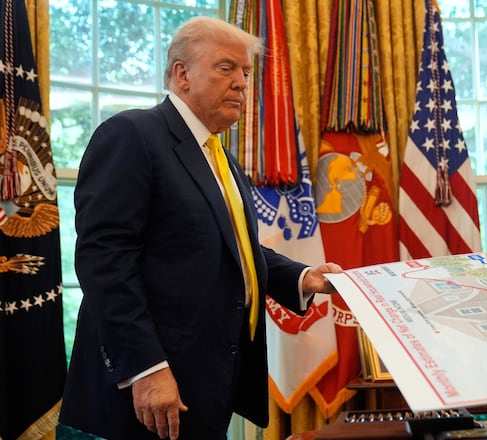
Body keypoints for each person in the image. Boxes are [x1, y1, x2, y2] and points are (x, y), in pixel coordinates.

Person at [59, 16, 343, 439]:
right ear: (181, 74)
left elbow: (232, 248)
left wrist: (303, 277)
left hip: (207, 390)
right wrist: (146, 369)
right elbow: (106, 262)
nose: (243, 84)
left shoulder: (219, 157)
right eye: (226, 68)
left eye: (246, 72)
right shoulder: (132, 134)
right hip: (140, 401)